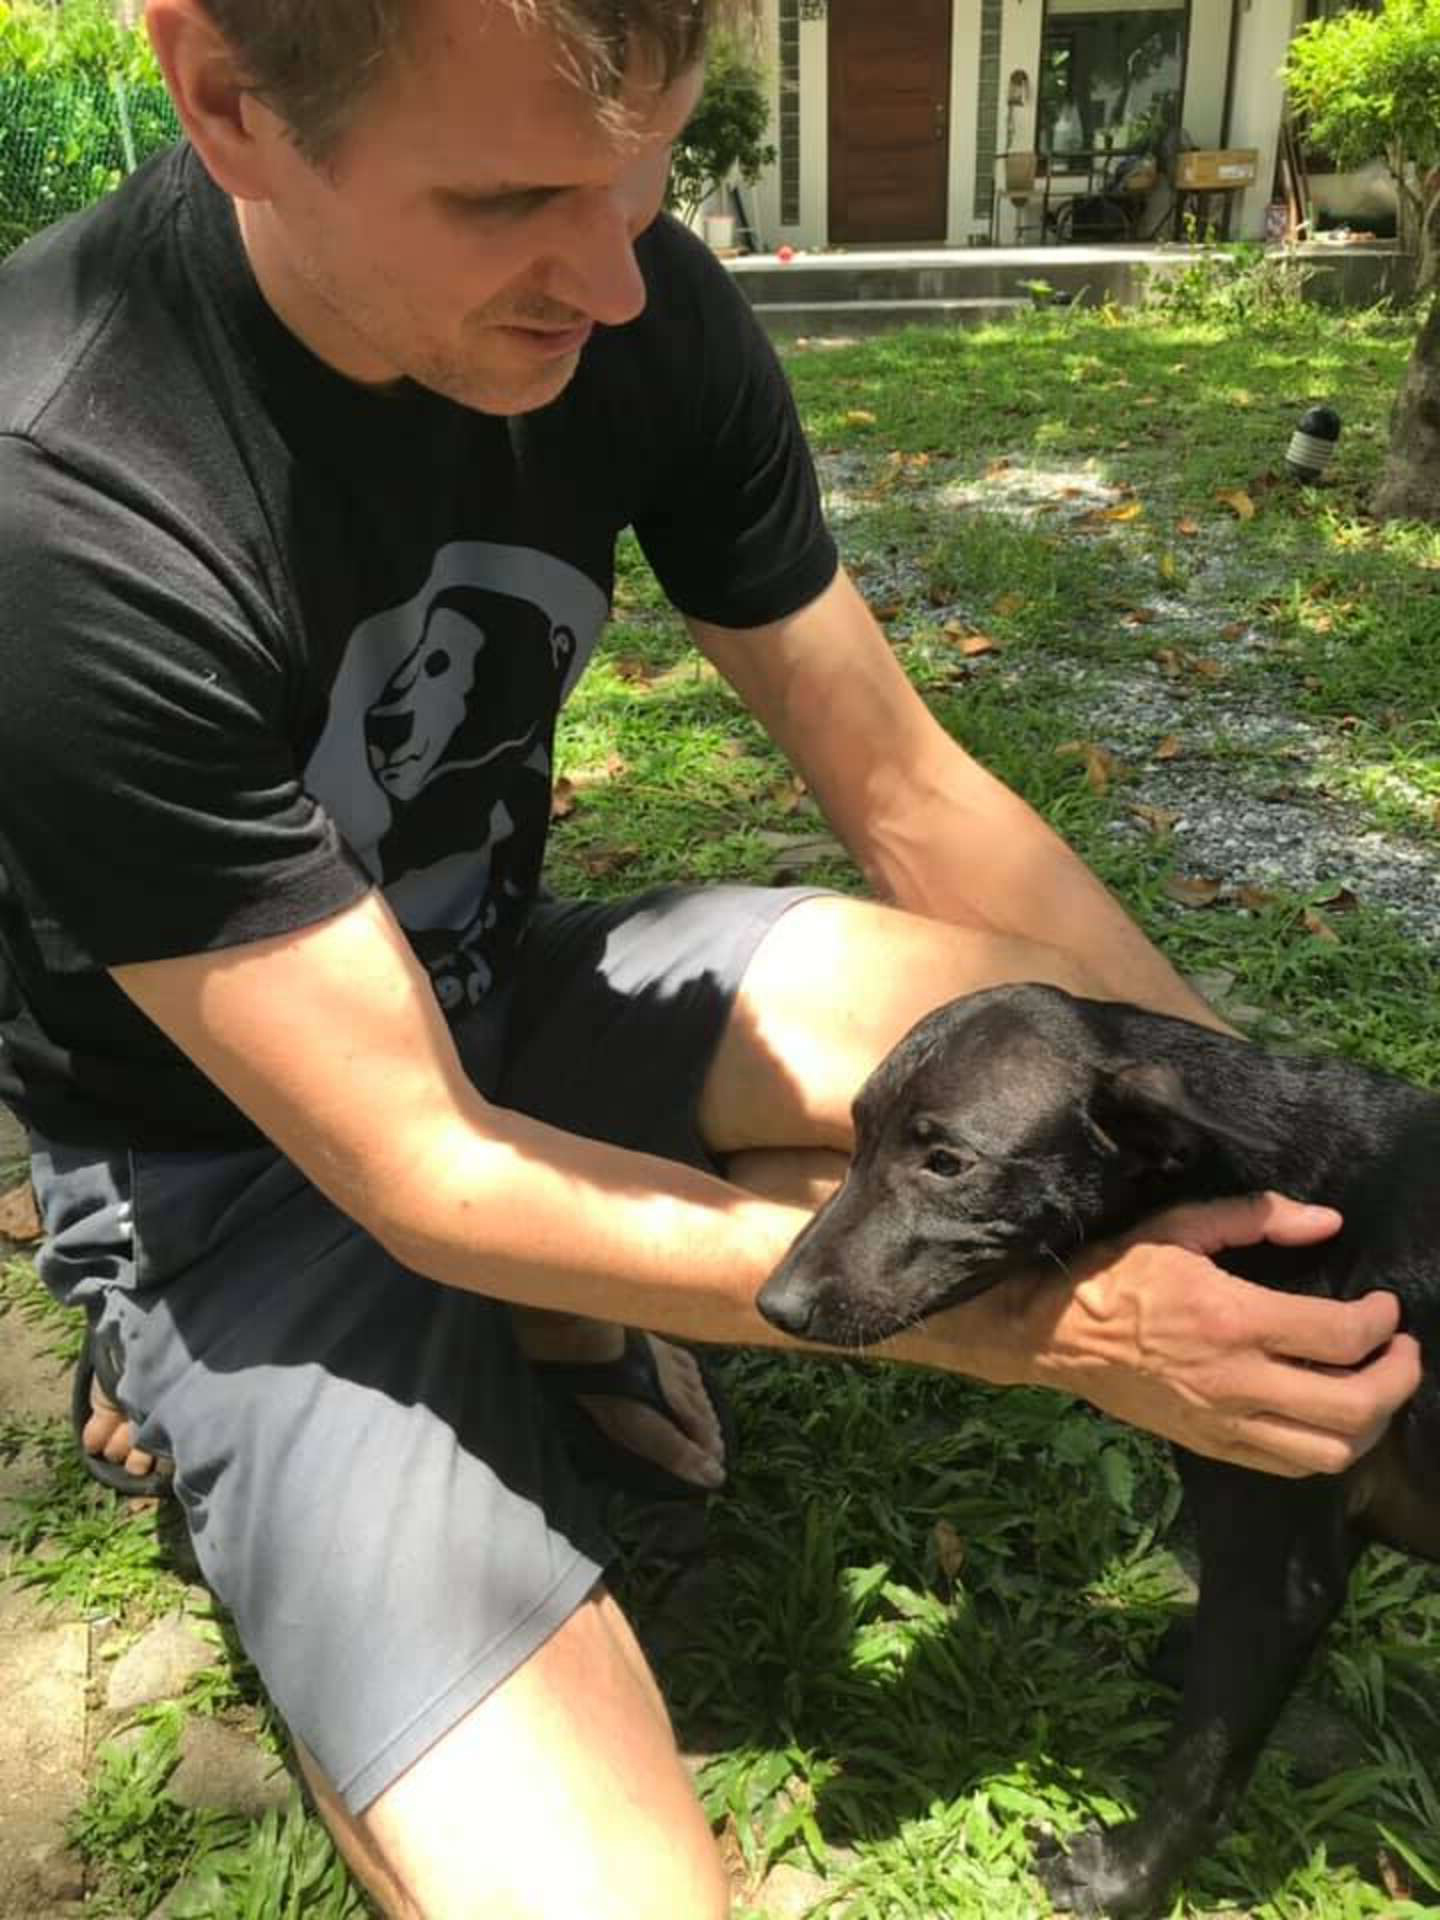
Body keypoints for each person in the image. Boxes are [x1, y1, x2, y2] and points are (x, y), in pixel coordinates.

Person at [0, 1, 1419, 1914]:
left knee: (1011, 1044)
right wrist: (1051, 1326)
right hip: (234, 1156)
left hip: (498, 997)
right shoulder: (62, 494)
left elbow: (905, 786)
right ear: (229, 97)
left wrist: (1289, 1192)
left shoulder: (631, 293)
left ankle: (552, 1313)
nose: (611, 279)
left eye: (645, 170)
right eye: (509, 198)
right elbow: (411, 1163)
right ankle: (197, 1346)